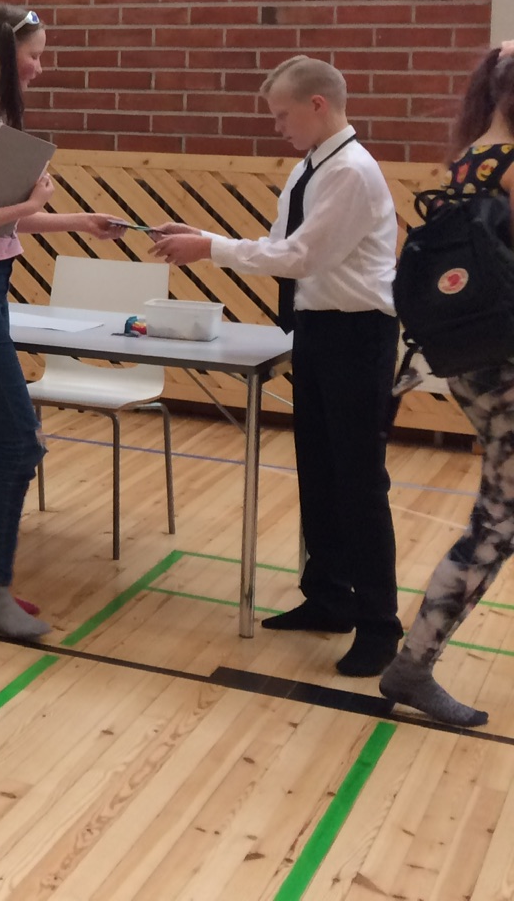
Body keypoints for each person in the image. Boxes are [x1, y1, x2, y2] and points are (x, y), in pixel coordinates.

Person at [154, 56, 403, 677]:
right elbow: (279, 247)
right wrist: (203, 236)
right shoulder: (308, 167)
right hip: (316, 329)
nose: (277, 126)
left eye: (283, 114)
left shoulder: (350, 170)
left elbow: (300, 257)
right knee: (318, 470)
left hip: (358, 335)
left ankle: (380, 624)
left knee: (359, 482)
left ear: (318, 104)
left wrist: (209, 247)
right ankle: (329, 596)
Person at [0, 6, 124, 640]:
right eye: (33, 54)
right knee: (21, 439)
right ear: (0, 54)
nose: (40, 67)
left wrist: (78, 221)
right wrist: (31, 200)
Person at [377, 44, 514, 725]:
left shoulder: (471, 159)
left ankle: (413, 665)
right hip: (507, 362)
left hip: (470, 357)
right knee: (497, 522)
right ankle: (413, 666)